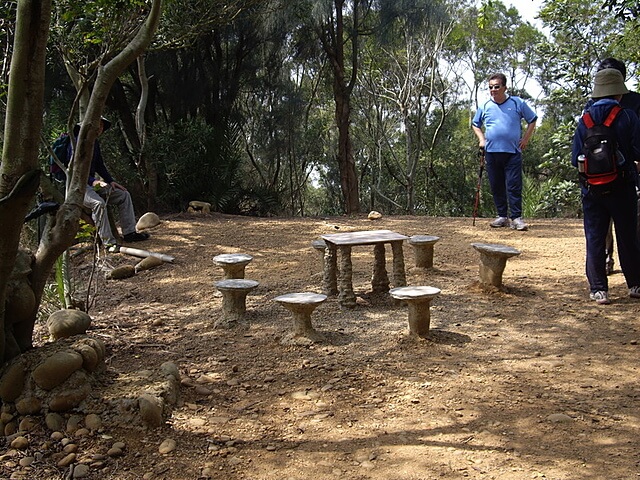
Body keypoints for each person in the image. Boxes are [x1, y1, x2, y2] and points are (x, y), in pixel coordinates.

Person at [571, 68, 640, 304]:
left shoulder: (585, 120)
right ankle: (635, 284)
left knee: (595, 236)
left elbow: (575, 158)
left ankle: (598, 289)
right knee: (628, 235)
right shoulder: (628, 116)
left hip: (592, 189)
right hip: (622, 186)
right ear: (619, 93)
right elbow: (638, 151)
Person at [584, 58, 640, 275]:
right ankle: (607, 260)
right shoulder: (591, 106)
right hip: (601, 174)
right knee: (602, 225)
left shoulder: (635, 102)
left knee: (631, 223)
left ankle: (634, 271)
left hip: (630, 172)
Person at [472, 73, 538, 231]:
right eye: (490, 87)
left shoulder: (517, 103)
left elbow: (532, 119)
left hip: (512, 152)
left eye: (496, 87)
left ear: (504, 87)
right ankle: (502, 216)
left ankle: (516, 217)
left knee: (514, 185)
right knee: (496, 185)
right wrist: (481, 139)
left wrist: (525, 139)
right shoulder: (485, 105)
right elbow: (475, 124)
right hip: (492, 152)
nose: (493, 90)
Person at [72, 118, 149, 251]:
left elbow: (99, 165)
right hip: (78, 187)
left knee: (123, 195)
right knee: (98, 204)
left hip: (93, 184)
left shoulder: (94, 143)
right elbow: (75, 170)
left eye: (102, 126)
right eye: (98, 125)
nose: (100, 128)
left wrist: (110, 181)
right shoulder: (76, 143)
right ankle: (109, 243)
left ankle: (130, 233)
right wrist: (93, 181)